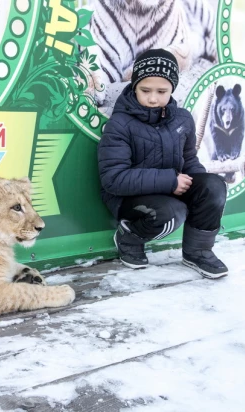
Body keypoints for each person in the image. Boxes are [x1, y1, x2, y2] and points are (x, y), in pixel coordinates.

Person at [97, 49, 228, 279]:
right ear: (134, 85)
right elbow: (113, 179)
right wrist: (170, 181)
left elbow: (189, 162)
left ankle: (198, 252)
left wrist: (204, 195)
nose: (153, 98)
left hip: (171, 188)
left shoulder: (183, 119)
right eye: (145, 90)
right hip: (131, 199)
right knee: (171, 213)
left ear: (172, 89)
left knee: (214, 186)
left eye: (162, 91)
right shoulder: (120, 124)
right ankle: (130, 236)